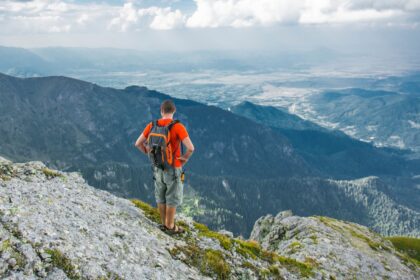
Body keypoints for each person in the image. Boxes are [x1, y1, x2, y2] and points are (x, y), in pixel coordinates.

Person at [134, 100, 194, 234]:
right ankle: (170, 226)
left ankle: (163, 223)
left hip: (157, 167)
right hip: (173, 168)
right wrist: (183, 159)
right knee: (172, 197)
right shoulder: (178, 127)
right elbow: (191, 148)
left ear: (161, 111)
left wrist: (149, 154)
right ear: (173, 111)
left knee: (160, 195)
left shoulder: (152, 125)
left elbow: (138, 143)